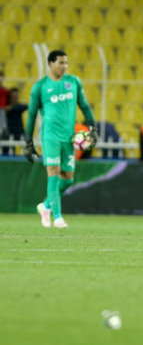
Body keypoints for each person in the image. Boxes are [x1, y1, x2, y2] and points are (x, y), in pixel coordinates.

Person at [24, 50, 97, 228]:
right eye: (60, 63)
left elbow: (84, 106)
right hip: (50, 136)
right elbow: (32, 115)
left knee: (68, 179)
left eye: (66, 63)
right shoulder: (40, 87)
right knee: (54, 173)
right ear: (51, 63)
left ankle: (45, 206)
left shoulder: (73, 82)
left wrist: (93, 128)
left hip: (69, 137)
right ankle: (57, 217)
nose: (64, 66)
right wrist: (28, 141)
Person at [3, 87, 28, 155]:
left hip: (18, 131)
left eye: (17, 96)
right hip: (8, 131)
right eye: (14, 96)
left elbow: (26, 106)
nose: (15, 98)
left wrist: (12, 108)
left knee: (23, 147)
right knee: (6, 149)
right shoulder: (5, 107)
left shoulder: (18, 106)